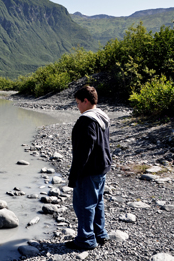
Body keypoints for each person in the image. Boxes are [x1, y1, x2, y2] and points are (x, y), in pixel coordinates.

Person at [65, 85, 112, 251]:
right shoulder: (102, 117)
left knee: (84, 205)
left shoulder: (86, 121)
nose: (77, 106)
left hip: (89, 170)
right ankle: (100, 234)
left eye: (78, 102)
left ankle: (85, 240)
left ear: (86, 101)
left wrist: (74, 176)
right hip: (101, 168)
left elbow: (83, 152)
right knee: (97, 203)